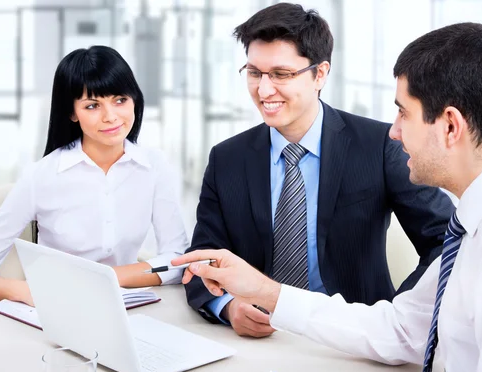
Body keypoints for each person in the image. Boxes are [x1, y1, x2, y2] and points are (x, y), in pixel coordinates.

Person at [177, 22, 482, 372]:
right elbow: (401, 329)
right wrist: (264, 291)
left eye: (403, 112)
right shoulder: (478, 223)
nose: (394, 130)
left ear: (450, 126)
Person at [185, 2, 454, 338]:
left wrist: (398, 315)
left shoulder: (378, 145)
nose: (263, 90)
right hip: (263, 337)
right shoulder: (227, 158)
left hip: (354, 338)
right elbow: (199, 261)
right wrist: (227, 305)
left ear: (320, 74)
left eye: (281, 74)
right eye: (254, 73)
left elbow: (446, 242)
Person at [0, 46, 189, 306]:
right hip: (58, 308)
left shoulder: (153, 166)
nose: (111, 116)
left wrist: (104, 278)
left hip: (127, 304)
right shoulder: (41, 176)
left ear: (135, 99)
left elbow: (178, 260)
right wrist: (26, 292)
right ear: (71, 113)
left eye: (120, 100)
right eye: (92, 106)